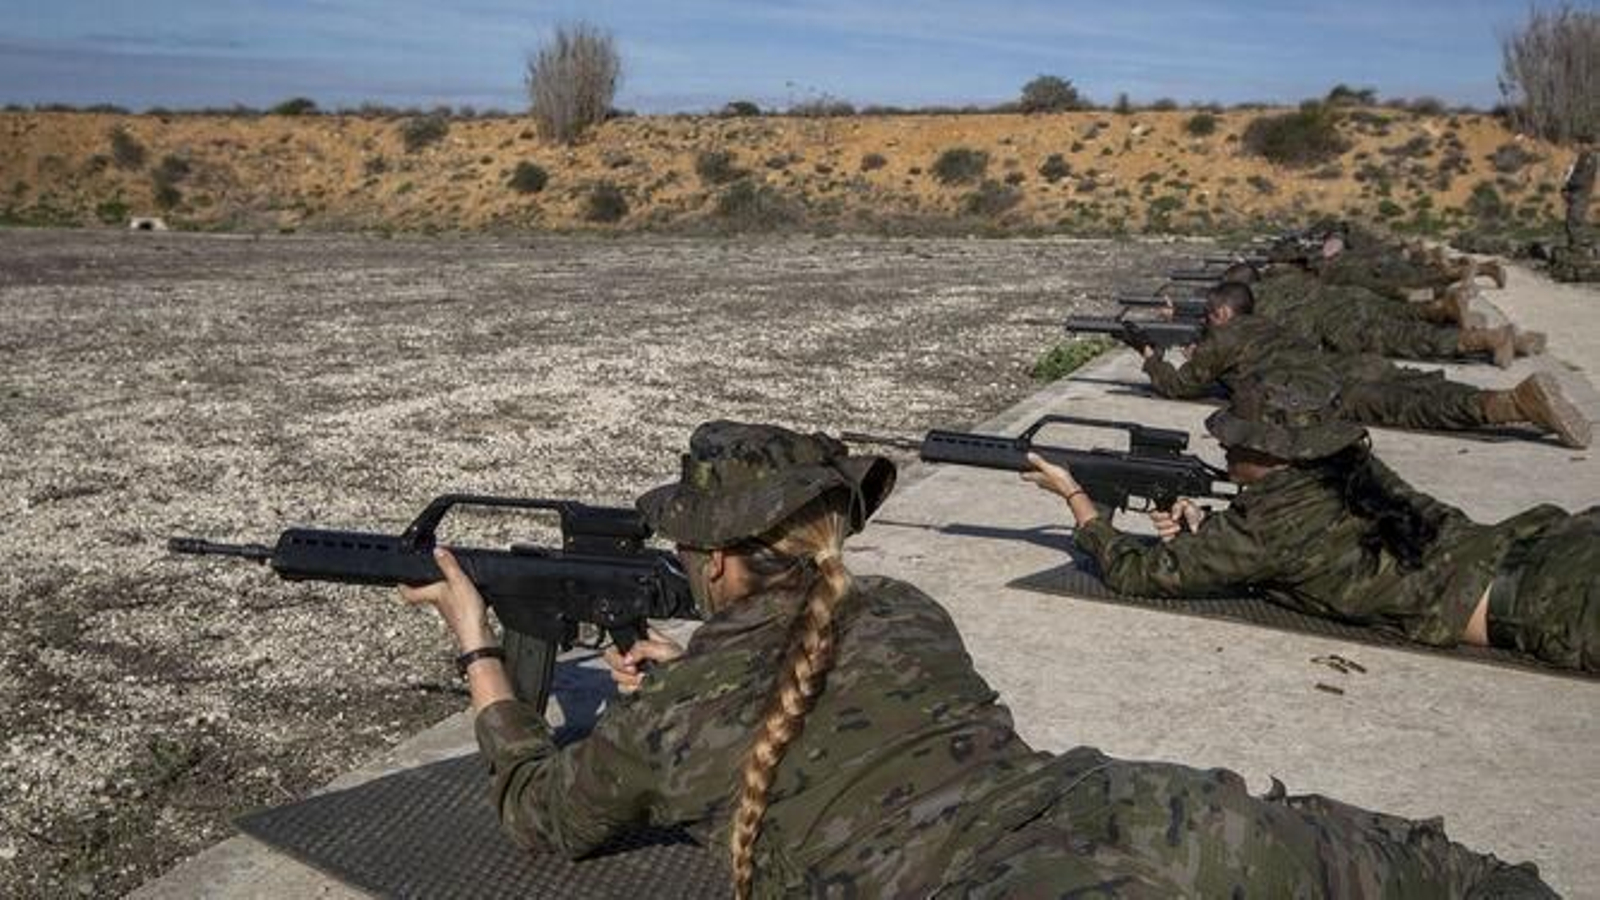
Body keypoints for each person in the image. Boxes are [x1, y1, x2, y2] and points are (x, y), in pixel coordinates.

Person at [403, 420, 1555, 897]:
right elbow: (805, 667)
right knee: (1451, 876)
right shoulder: (901, 607)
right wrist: (693, 670)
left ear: (711, 559)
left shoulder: (675, 728)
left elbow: (539, 815)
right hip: (1149, 810)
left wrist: (480, 654)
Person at [1026, 369, 1599, 673]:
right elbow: (1308, 537)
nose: (1224, 449)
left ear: (1274, 451)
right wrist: (1210, 526)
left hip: (1546, 605)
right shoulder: (1349, 466)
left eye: (1236, 442)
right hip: (1548, 542)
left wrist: (1078, 501)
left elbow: (1135, 574)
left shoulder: (1268, 525)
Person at [1139, 281, 1591, 449]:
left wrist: (1152, 360)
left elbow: (1180, 386)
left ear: (1220, 315)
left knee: (1407, 408)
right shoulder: (1261, 323)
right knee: (1420, 385)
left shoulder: (1224, 335)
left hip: (1320, 390)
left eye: (1208, 315)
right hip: (1344, 366)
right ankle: (1506, 373)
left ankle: (1515, 403)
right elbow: (1227, 349)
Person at [1221, 262, 1544, 367]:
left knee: (1410, 339)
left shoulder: (1253, 303)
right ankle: (1512, 336)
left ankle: (1489, 338)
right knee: (1405, 315)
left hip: (1339, 325)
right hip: (1351, 299)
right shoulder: (1283, 278)